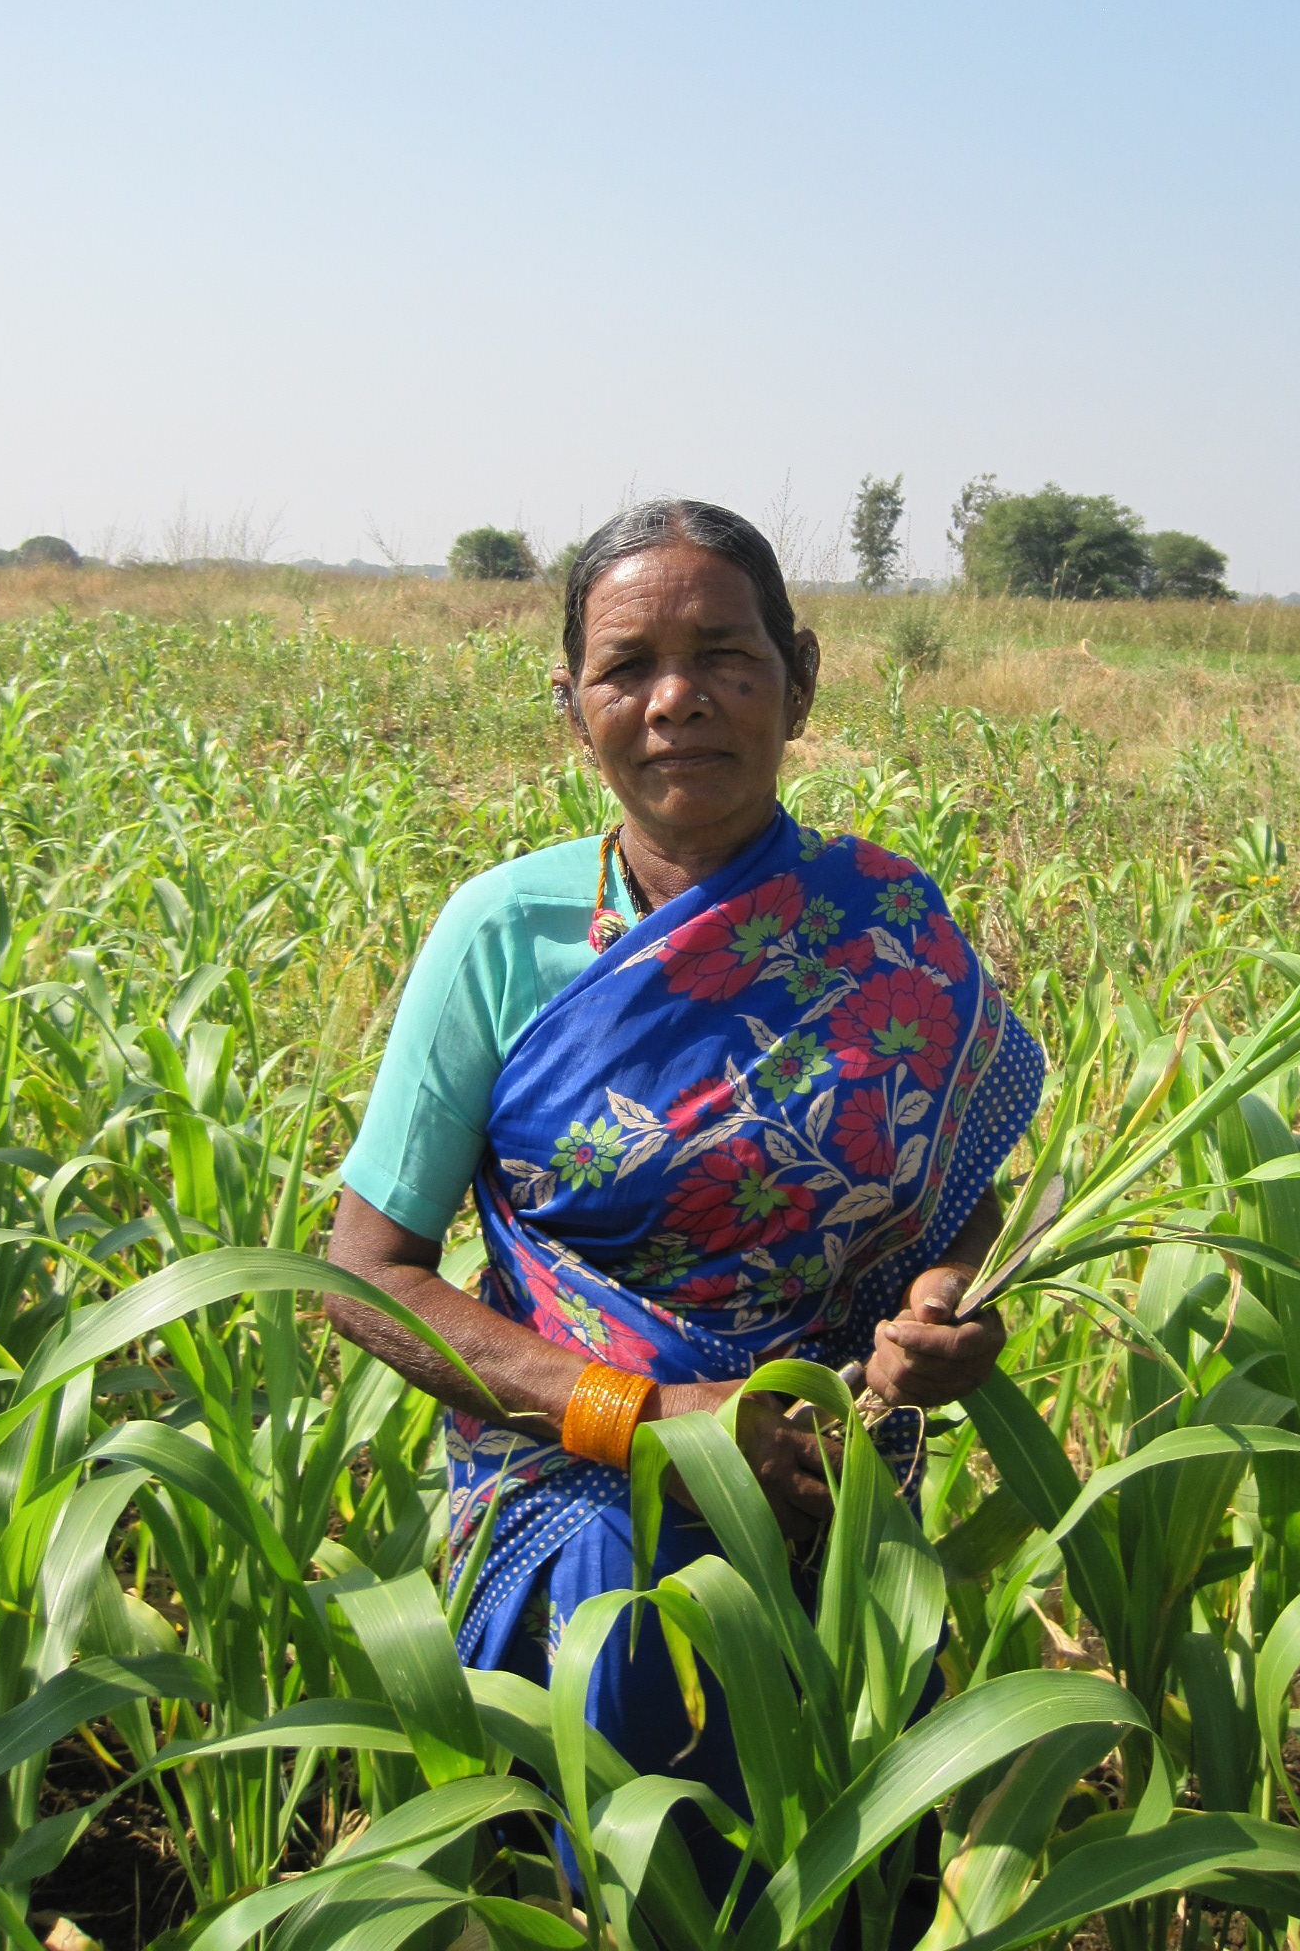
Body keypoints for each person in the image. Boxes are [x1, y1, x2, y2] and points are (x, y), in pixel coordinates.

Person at [324, 497, 1044, 1883]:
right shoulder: (501, 934)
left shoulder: (887, 918)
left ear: (800, 678)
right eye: (627, 667)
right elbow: (367, 1273)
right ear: (572, 706)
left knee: (851, 1880)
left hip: (840, 1499)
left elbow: (962, 1186)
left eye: (724, 655)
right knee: (629, 1869)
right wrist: (655, 1421)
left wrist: (948, 1301)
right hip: (581, 1510)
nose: (677, 700)